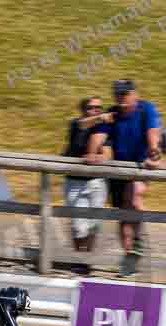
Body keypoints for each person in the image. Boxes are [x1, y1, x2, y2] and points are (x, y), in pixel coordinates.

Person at [81, 79, 162, 276]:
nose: (121, 98)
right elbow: (92, 132)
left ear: (135, 94)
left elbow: (153, 134)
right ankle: (129, 261)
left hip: (140, 166)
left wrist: (154, 154)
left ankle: (138, 241)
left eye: (125, 94)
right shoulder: (112, 113)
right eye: (118, 94)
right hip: (118, 170)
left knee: (134, 196)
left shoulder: (146, 109)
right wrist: (92, 153)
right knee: (123, 217)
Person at [62, 97, 109, 269]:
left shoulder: (103, 128)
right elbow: (82, 125)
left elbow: (107, 151)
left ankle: (85, 262)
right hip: (75, 181)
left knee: (94, 225)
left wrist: (102, 156)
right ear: (83, 110)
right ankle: (78, 260)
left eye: (99, 107)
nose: (96, 110)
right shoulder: (76, 124)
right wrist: (100, 118)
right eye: (92, 107)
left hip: (97, 182)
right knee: (77, 226)